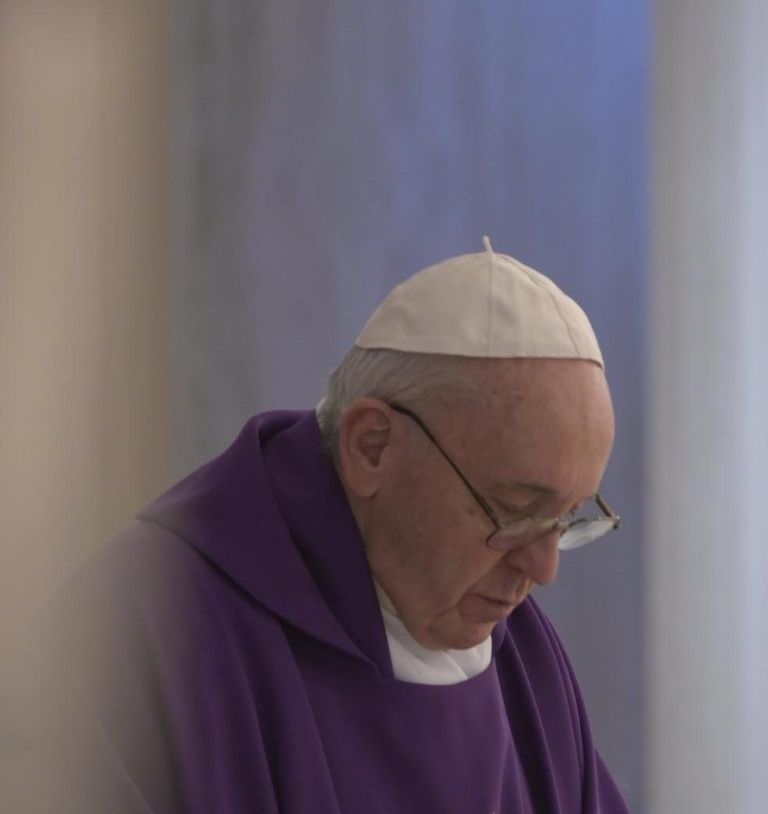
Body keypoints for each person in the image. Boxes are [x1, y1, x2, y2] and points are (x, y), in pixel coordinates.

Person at [63, 241, 631, 813]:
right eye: (514, 510)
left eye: (567, 517)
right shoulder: (140, 629)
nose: (543, 568)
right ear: (371, 446)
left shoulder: (526, 659)